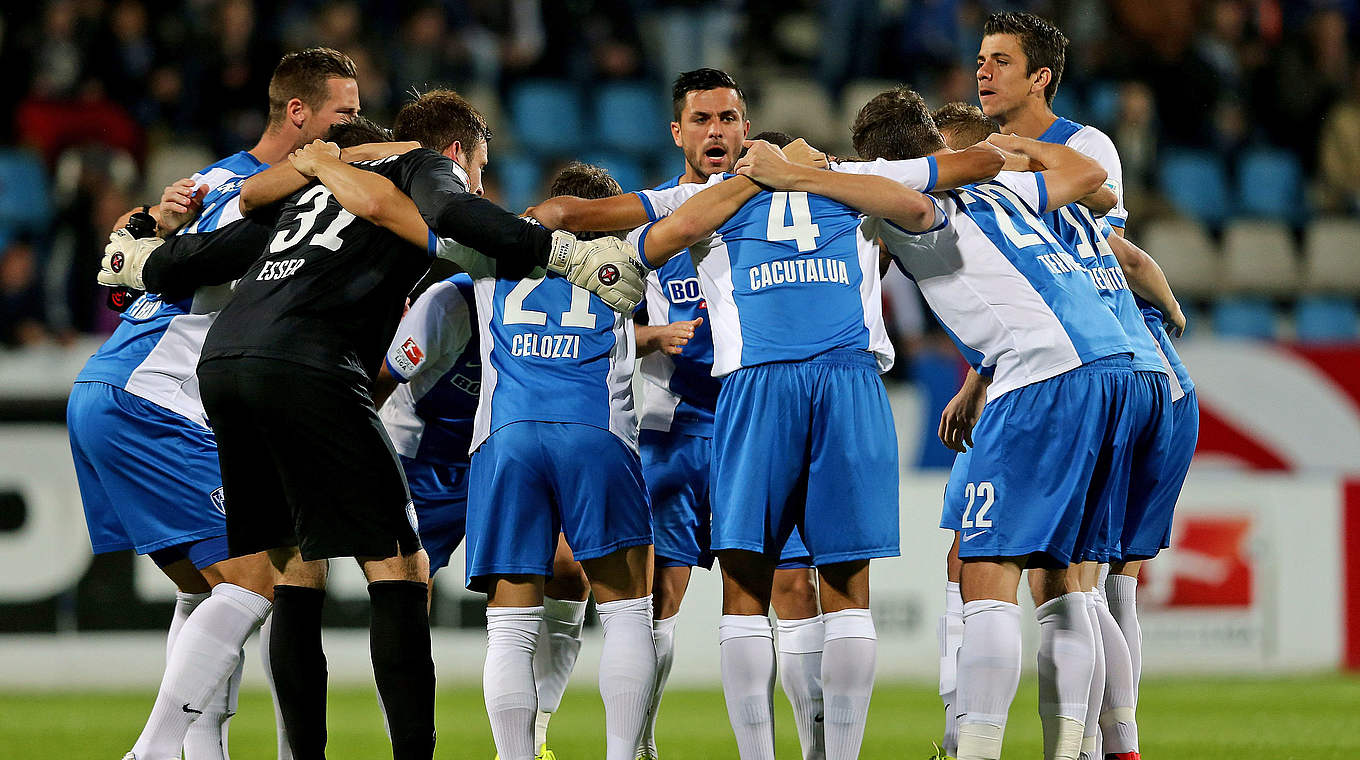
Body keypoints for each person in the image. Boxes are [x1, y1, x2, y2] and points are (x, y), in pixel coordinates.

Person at [70, 46, 362, 760]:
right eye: (344, 115)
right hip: (153, 391)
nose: (356, 128)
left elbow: (125, 259)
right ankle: (154, 750)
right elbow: (137, 262)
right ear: (299, 113)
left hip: (108, 386)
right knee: (258, 576)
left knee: (210, 591)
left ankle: (200, 752)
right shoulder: (279, 193)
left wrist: (144, 232)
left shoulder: (210, 180)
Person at [838, 86, 1136, 760]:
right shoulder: (1000, 182)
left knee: (987, 571)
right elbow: (1092, 180)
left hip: (1038, 374)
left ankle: (972, 749)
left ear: (878, 158)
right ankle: (1082, 750)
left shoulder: (898, 198)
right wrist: (1012, 148)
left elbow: (892, 209)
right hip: (1106, 361)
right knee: (1069, 580)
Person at [972, 13, 1196, 760]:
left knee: (1091, 576)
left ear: (1041, 77)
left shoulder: (1082, 145)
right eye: (980, 59)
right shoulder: (991, 158)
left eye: (1000, 61)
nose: (982, 72)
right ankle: (1107, 747)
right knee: (1088, 577)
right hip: (1100, 364)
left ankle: (1112, 744)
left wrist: (1000, 156)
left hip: (1114, 364)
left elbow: (1100, 250)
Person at [634, 69, 825, 760]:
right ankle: (642, 743)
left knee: (795, 587)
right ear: (678, 131)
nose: (717, 131)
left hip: (766, 422)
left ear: (747, 127)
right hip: (678, 429)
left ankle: (814, 751)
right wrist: (646, 336)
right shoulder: (653, 216)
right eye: (703, 119)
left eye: (730, 117)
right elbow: (594, 320)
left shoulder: (789, 206)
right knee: (661, 593)